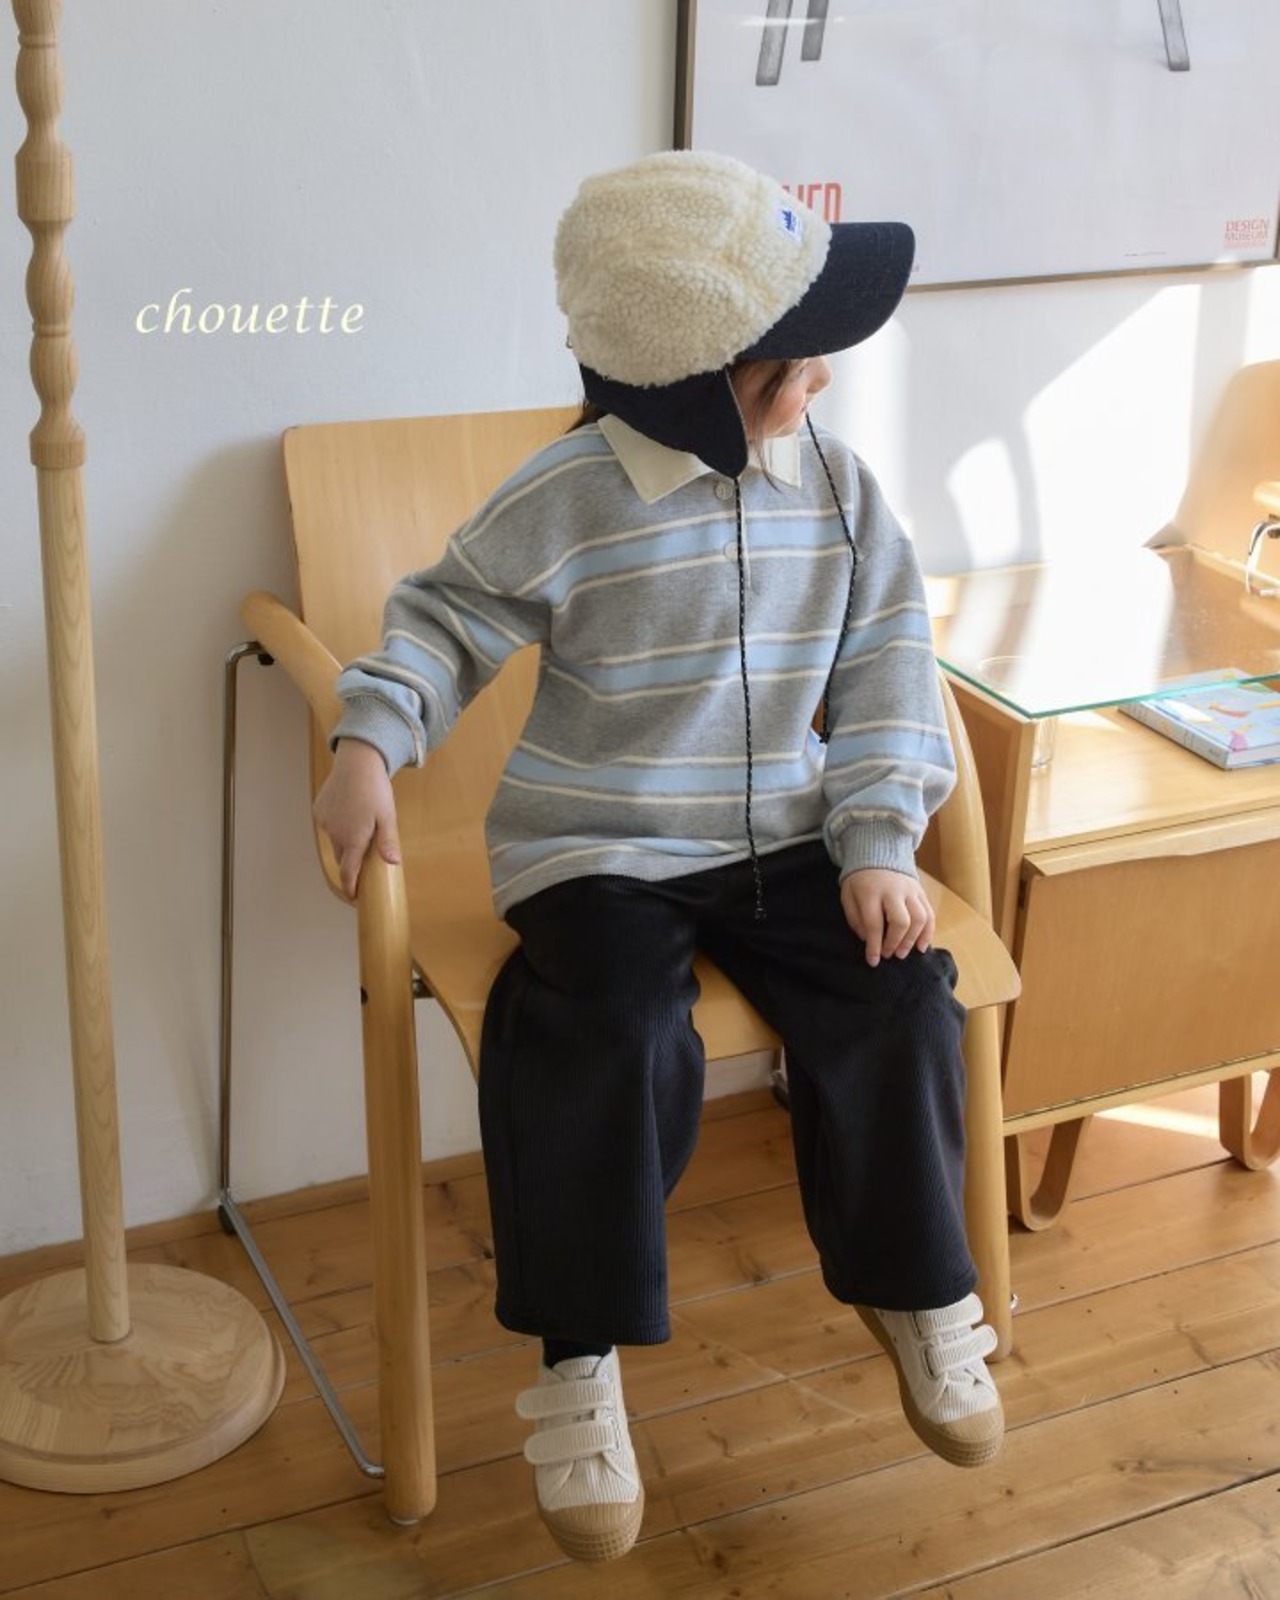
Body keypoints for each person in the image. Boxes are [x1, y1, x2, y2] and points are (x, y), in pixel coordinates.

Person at [314, 149, 1003, 1565]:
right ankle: (579, 1359)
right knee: (601, 1027)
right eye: (798, 367)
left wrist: (878, 840)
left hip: (796, 835)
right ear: (703, 385)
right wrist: (369, 743)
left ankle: (916, 1287)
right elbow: (443, 621)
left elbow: (889, 666)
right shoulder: (569, 495)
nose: (823, 384)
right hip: (602, 843)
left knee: (898, 989)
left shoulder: (837, 484)